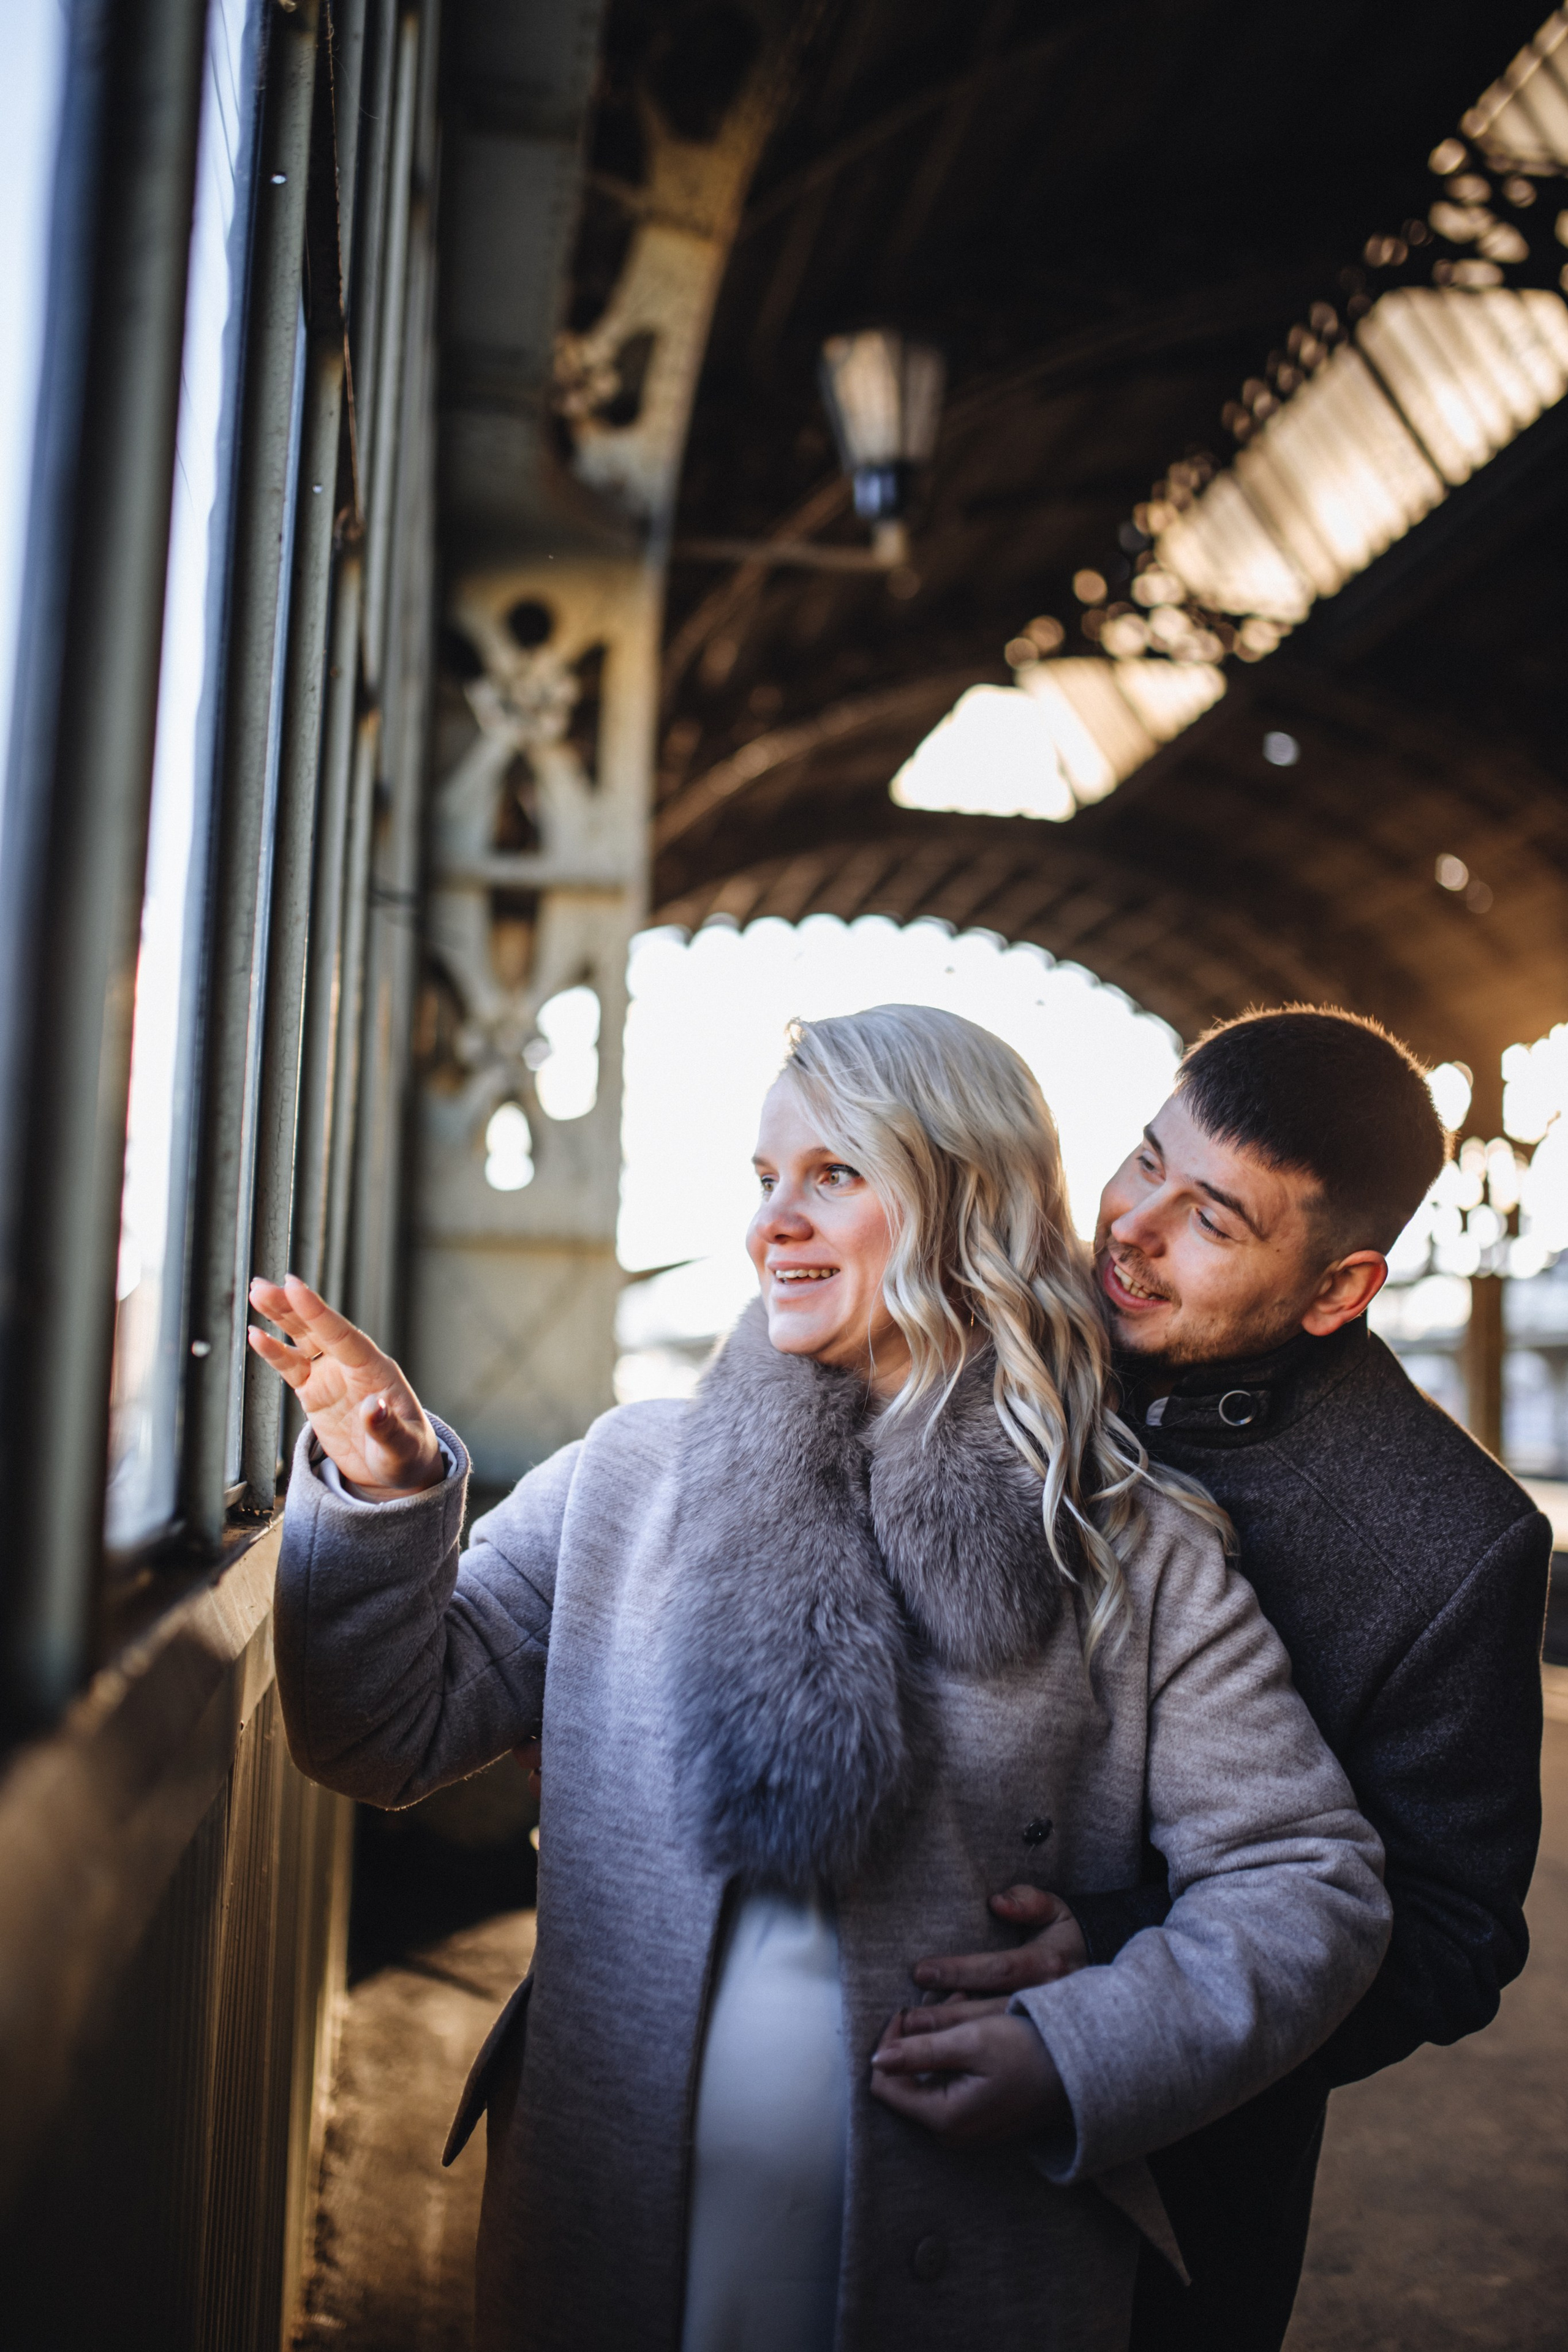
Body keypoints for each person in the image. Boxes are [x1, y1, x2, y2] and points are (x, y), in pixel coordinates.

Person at [251, 1004, 1392, 2352]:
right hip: (609, 2217)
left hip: (968, 2252)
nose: (770, 1226)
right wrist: (385, 1492)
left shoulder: (1126, 1549)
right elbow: (379, 1732)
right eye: (763, 1179)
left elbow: (1305, 1879)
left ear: (968, 1201)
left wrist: (1079, 2052)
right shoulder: (628, 1480)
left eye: (833, 1175)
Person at [912, 1007, 1551, 2352]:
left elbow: (1453, 1931)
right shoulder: (977, 1330)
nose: (1130, 1229)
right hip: (845, 2093)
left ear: (1338, 1290)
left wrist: (1119, 1956)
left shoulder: (1449, 1543)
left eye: (1210, 1218)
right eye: (1145, 1160)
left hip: (1166, 2198)